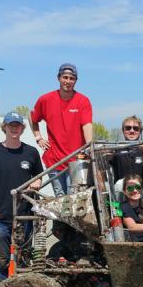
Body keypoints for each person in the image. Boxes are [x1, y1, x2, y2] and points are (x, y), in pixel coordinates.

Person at [0, 111, 43, 286]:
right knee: (3, 261)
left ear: (22, 128)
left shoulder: (31, 152)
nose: (14, 129)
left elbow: (38, 177)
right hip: (0, 216)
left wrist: (37, 183)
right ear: (4, 127)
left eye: (17, 125)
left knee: (23, 258)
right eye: (11, 125)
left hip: (25, 216)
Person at [30, 63, 93, 196]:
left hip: (77, 160)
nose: (68, 81)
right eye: (65, 77)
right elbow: (32, 118)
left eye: (72, 78)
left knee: (75, 198)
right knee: (60, 197)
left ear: (76, 80)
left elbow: (87, 125)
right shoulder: (45, 99)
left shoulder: (83, 101)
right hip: (54, 159)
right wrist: (38, 138)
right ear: (59, 78)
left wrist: (90, 146)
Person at [110, 115, 143, 211]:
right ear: (123, 130)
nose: (131, 130)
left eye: (135, 128)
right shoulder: (115, 149)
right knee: (119, 183)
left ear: (140, 132)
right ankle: (120, 213)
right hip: (122, 191)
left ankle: (140, 213)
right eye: (128, 128)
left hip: (140, 192)